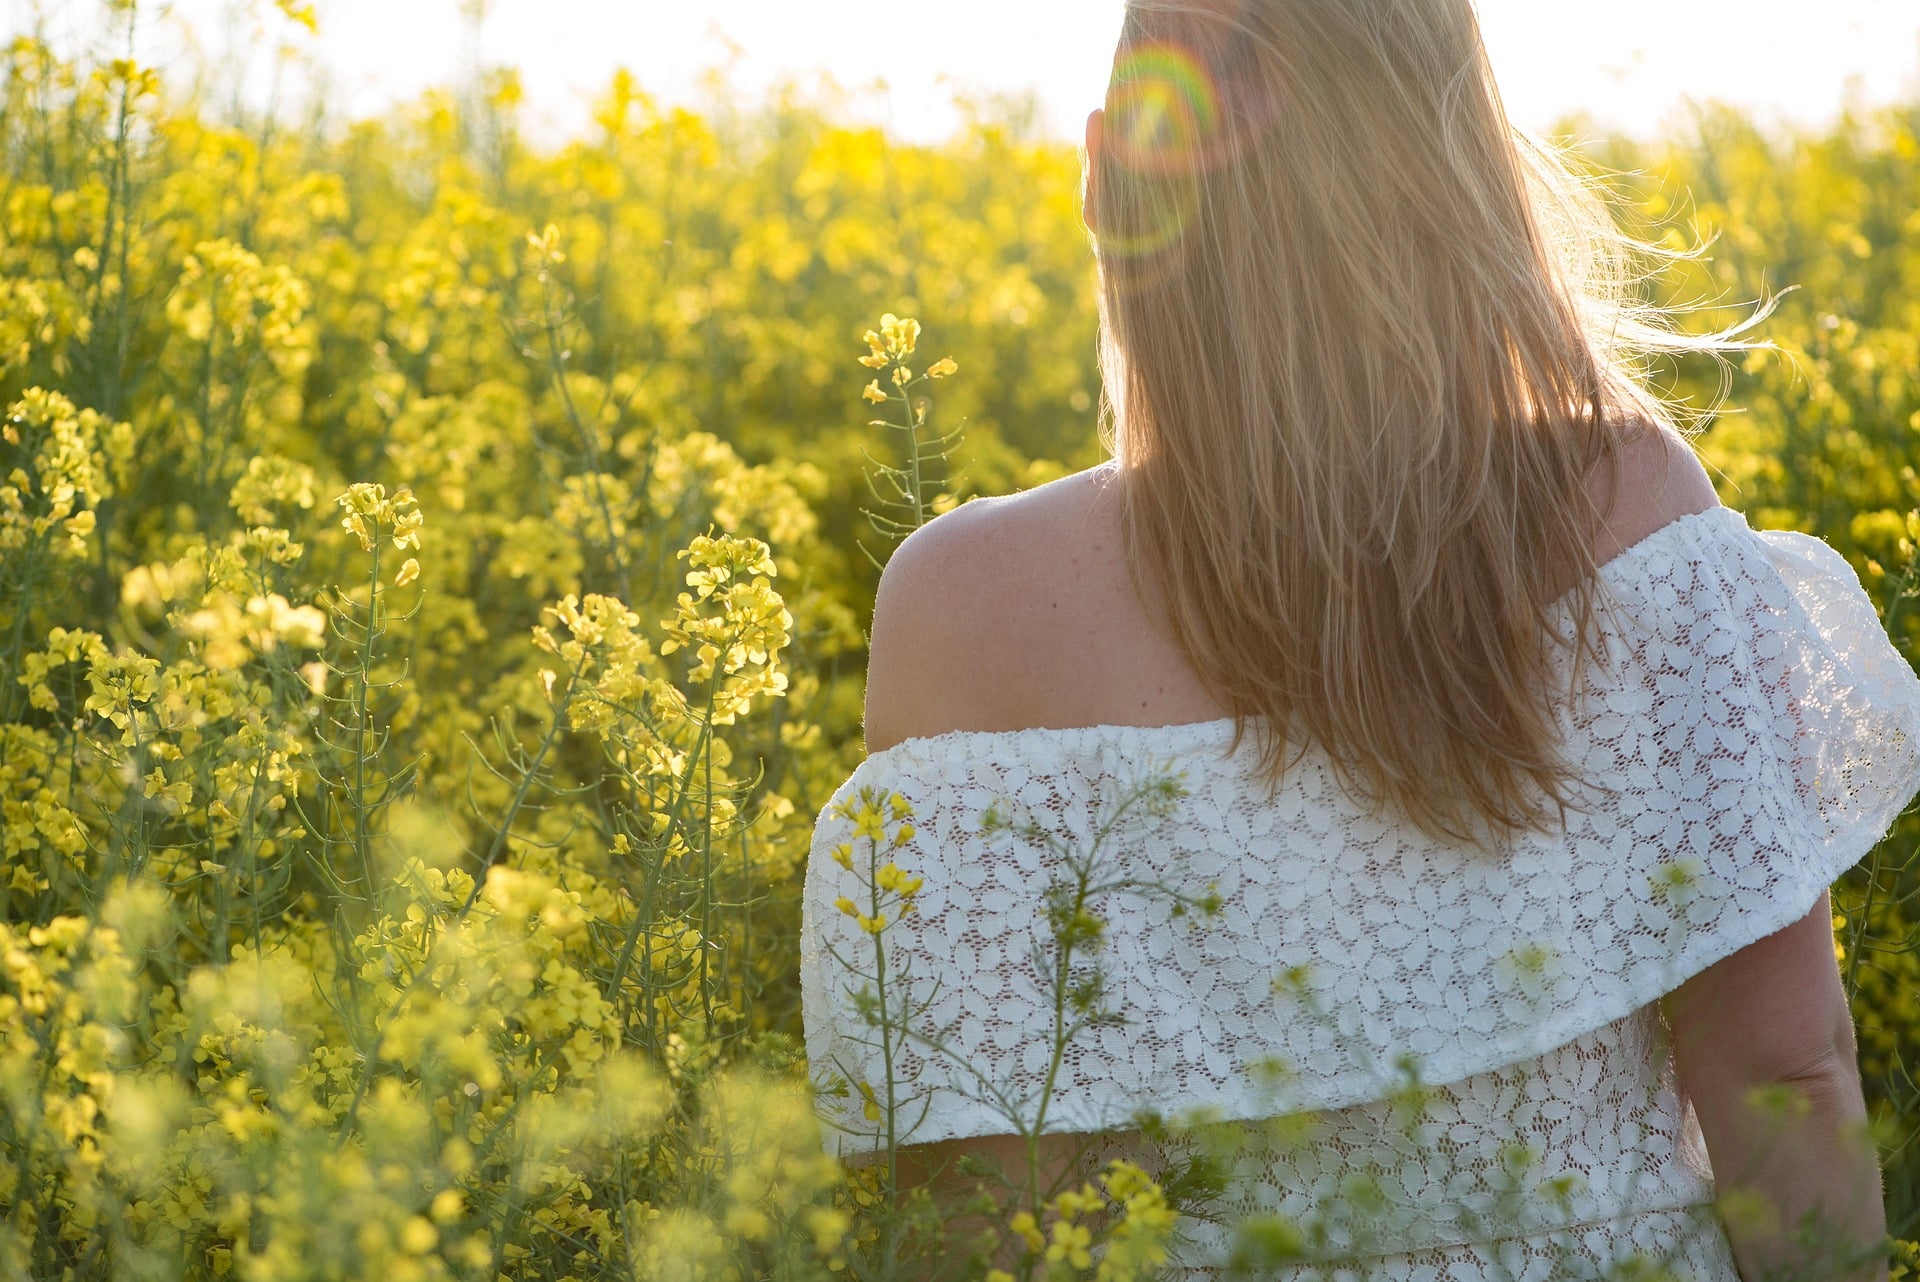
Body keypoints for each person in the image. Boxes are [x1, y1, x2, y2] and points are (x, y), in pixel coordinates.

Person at [799, 1, 1920, 1278]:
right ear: (1460, 167)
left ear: (1108, 180)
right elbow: (1787, 1073)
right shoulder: (1630, 508)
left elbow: (980, 1219)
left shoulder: (968, 604)